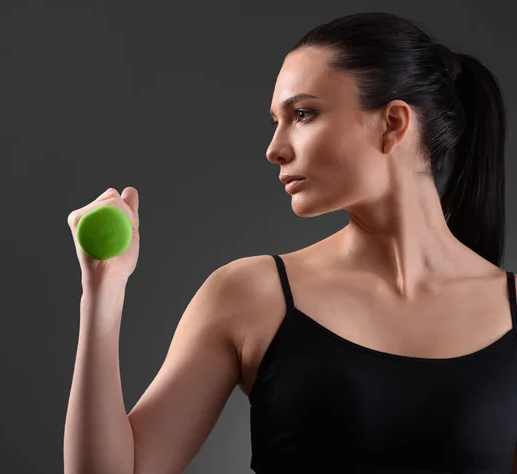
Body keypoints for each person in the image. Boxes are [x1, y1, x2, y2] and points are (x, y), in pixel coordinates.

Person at [64, 11, 516, 474]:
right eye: (278, 120)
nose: (274, 147)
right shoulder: (251, 295)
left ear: (394, 124)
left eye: (303, 114)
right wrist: (103, 290)